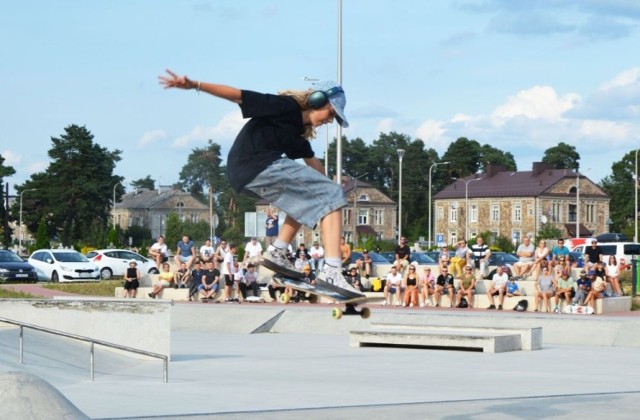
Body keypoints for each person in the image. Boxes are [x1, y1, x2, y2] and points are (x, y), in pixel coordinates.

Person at [159, 71, 362, 299]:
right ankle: (332, 271)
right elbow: (239, 96)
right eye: (330, 113)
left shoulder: (296, 135)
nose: (328, 120)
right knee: (330, 193)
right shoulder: (285, 107)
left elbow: (315, 170)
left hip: (247, 173)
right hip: (256, 165)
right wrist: (195, 84)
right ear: (317, 100)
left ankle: (277, 251)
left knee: (314, 197)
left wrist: (330, 202)